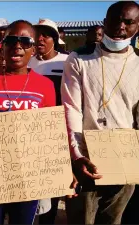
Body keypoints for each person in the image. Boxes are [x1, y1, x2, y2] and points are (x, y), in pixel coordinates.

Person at [0, 20, 56, 225]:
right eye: (11, 40)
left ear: (33, 49)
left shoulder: (46, 86)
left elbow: (51, 133)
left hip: (28, 175)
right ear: (3, 45)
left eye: (25, 41)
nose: (18, 45)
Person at [61, 1, 139, 224]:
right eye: (115, 20)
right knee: (80, 220)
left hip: (125, 160)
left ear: (138, 27)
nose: (120, 27)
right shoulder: (78, 58)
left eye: (128, 22)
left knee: (112, 220)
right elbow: (72, 109)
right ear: (104, 23)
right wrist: (77, 156)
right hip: (85, 159)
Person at [27, 18, 69, 224]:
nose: (40, 38)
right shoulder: (27, 62)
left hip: (56, 133)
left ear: (56, 38)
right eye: (37, 34)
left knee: (51, 186)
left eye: (46, 35)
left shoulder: (67, 61)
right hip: (30, 134)